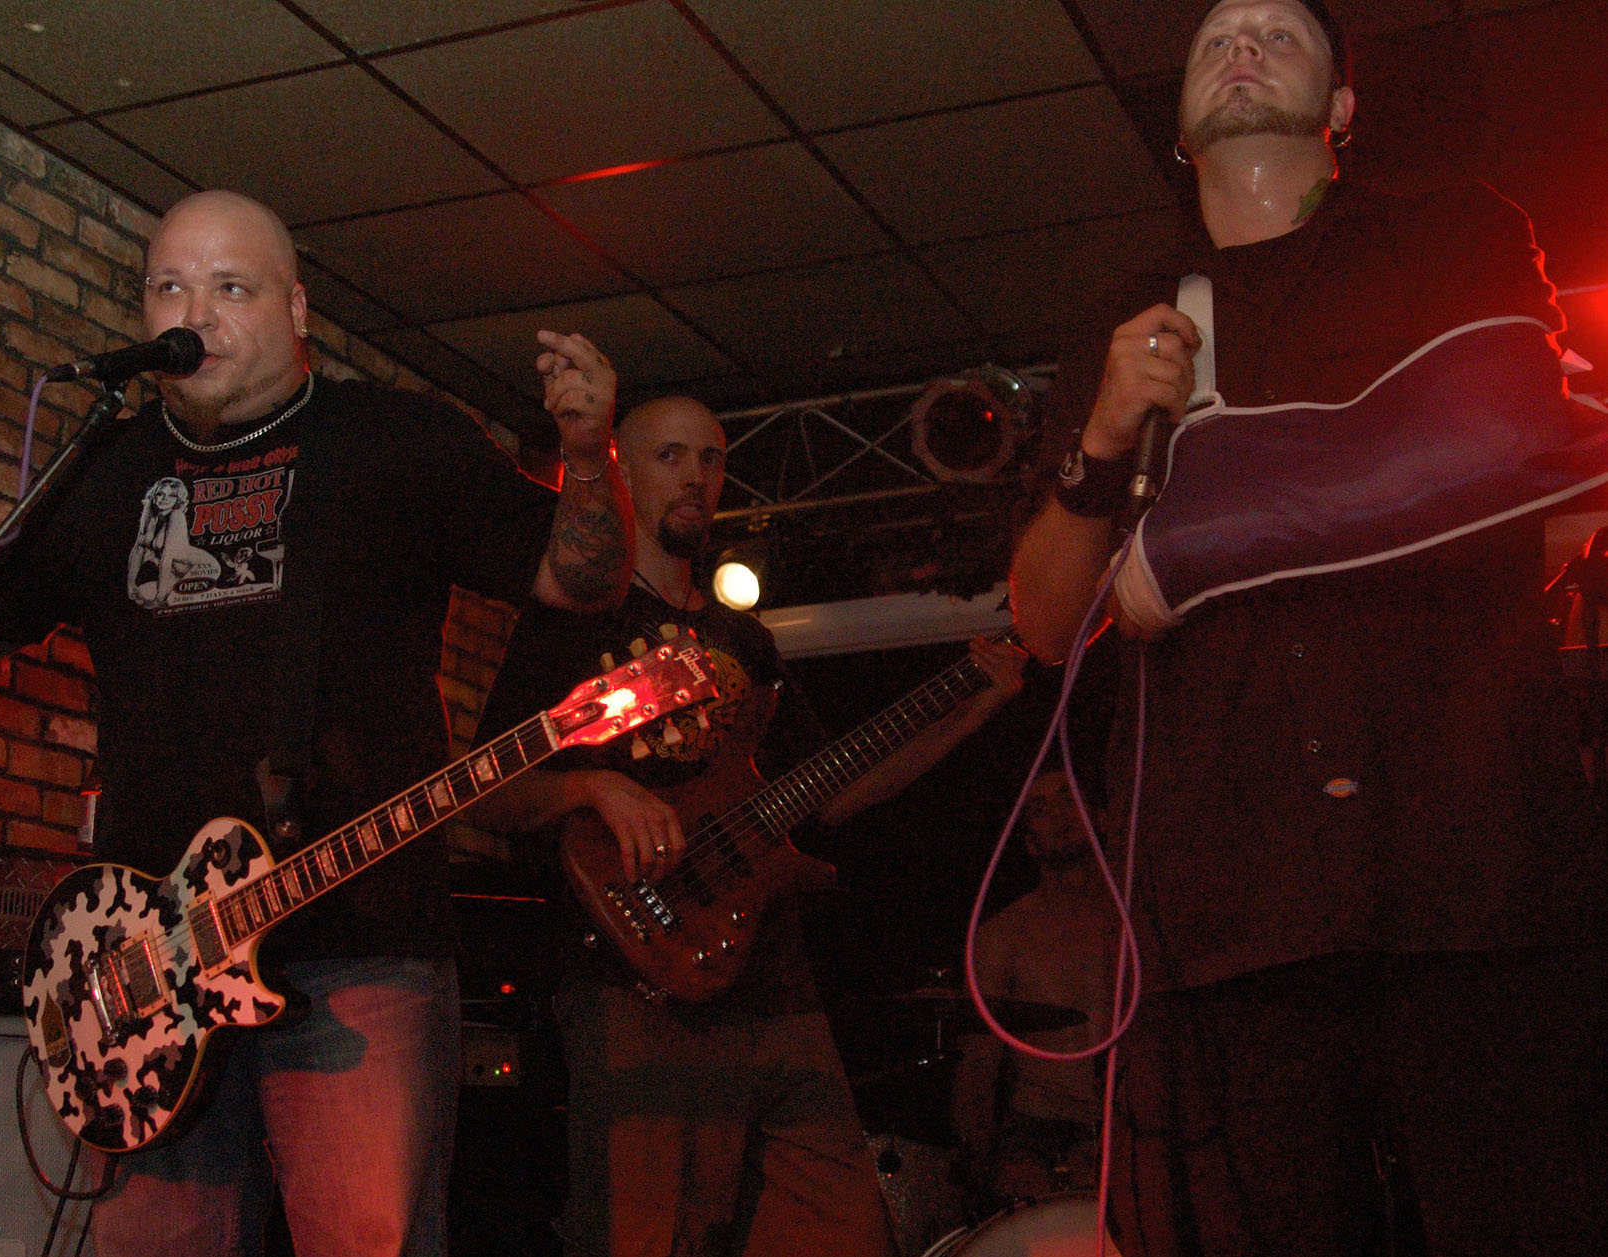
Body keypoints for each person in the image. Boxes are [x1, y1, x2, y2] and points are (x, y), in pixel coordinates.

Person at [0, 189, 635, 1257]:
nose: (194, 312)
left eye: (229, 287)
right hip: (145, 971)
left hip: (357, 949)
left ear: (295, 310)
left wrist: (591, 453)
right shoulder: (107, 470)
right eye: (169, 287)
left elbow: (580, 580)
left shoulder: (395, 439)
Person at [1008, 3, 1608, 1253]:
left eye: (1281, 32)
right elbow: (1048, 625)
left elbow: (1510, 450)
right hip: (1230, 903)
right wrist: (1102, 441)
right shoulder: (1127, 320)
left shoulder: (1454, 230)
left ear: (1340, 108)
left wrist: (1209, 536)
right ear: (1180, 127)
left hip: (1472, 866)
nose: (1242, 41)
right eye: (1216, 36)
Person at [467, 394, 1028, 1257]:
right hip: (632, 976)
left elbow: (830, 790)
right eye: (670, 455)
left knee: (843, 1232)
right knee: (649, 1235)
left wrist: (974, 704)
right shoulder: (573, 619)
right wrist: (592, 787)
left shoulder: (747, 642)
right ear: (620, 471)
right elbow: (483, 792)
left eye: (713, 457)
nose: (696, 475)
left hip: (773, 980)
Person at [954, 770, 1120, 1209]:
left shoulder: (1139, 917)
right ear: (1029, 842)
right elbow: (978, 1066)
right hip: (1041, 1129)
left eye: (1068, 798)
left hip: (1135, 1117)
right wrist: (978, 1165)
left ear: (1103, 817)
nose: (1060, 815)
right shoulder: (1003, 934)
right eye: (1040, 809)